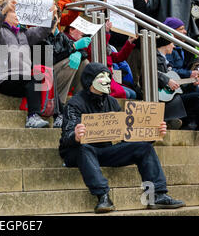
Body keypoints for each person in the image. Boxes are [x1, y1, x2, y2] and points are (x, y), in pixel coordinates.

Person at [59, 62, 185, 214]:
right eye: (101, 76)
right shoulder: (75, 103)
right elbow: (67, 136)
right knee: (84, 148)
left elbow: (127, 137)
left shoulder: (111, 102)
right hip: (78, 152)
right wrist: (76, 136)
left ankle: (157, 195)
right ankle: (103, 196)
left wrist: (152, 134)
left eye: (108, 76)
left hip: (104, 150)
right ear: (89, 81)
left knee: (144, 148)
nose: (107, 80)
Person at [0, 0, 55, 128]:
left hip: (23, 80)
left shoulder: (24, 34)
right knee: (32, 79)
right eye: (14, 12)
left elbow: (42, 31)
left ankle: (58, 115)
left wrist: (52, 15)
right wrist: (3, 8)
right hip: (4, 79)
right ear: (5, 16)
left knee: (45, 78)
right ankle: (32, 117)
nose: (18, 15)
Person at [156, 35, 199, 146]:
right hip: (161, 98)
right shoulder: (153, 56)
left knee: (195, 92)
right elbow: (149, 73)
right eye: (171, 43)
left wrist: (191, 82)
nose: (173, 45)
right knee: (198, 98)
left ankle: (192, 126)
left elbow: (176, 83)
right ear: (166, 43)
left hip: (171, 96)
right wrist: (167, 80)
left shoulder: (165, 59)